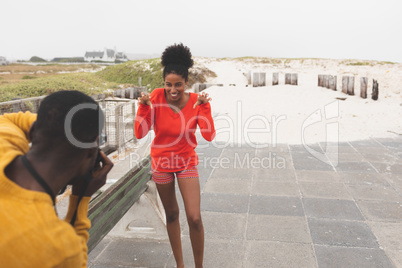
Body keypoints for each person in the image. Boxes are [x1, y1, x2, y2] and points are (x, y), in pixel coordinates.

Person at [0, 90, 114, 267]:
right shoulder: (58, 248)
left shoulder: (5, 139)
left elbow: (9, 119)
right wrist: (81, 198)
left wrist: (50, 127)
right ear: (92, 150)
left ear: (33, 130)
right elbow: (75, 259)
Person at [135, 43, 215, 268]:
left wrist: (204, 108)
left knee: (194, 217)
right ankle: (180, 265)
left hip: (186, 162)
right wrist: (143, 108)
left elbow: (208, 135)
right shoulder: (156, 96)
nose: (173, 90)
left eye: (178, 85)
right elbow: (140, 132)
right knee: (172, 215)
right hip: (161, 164)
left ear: (186, 83)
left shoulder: (195, 101)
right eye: (168, 84)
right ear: (163, 84)